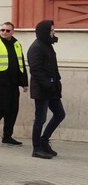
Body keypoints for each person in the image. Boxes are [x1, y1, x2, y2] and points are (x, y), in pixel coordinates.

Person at [27, 20, 63, 159]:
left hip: (52, 88)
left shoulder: (47, 45)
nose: (53, 33)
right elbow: (36, 70)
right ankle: (37, 148)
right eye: (51, 30)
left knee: (60, 114)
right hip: (42, 89)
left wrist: (55, 83)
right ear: (44, 31)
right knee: (40, 119)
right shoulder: (36, 47)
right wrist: (48, 85)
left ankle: (44, 140)